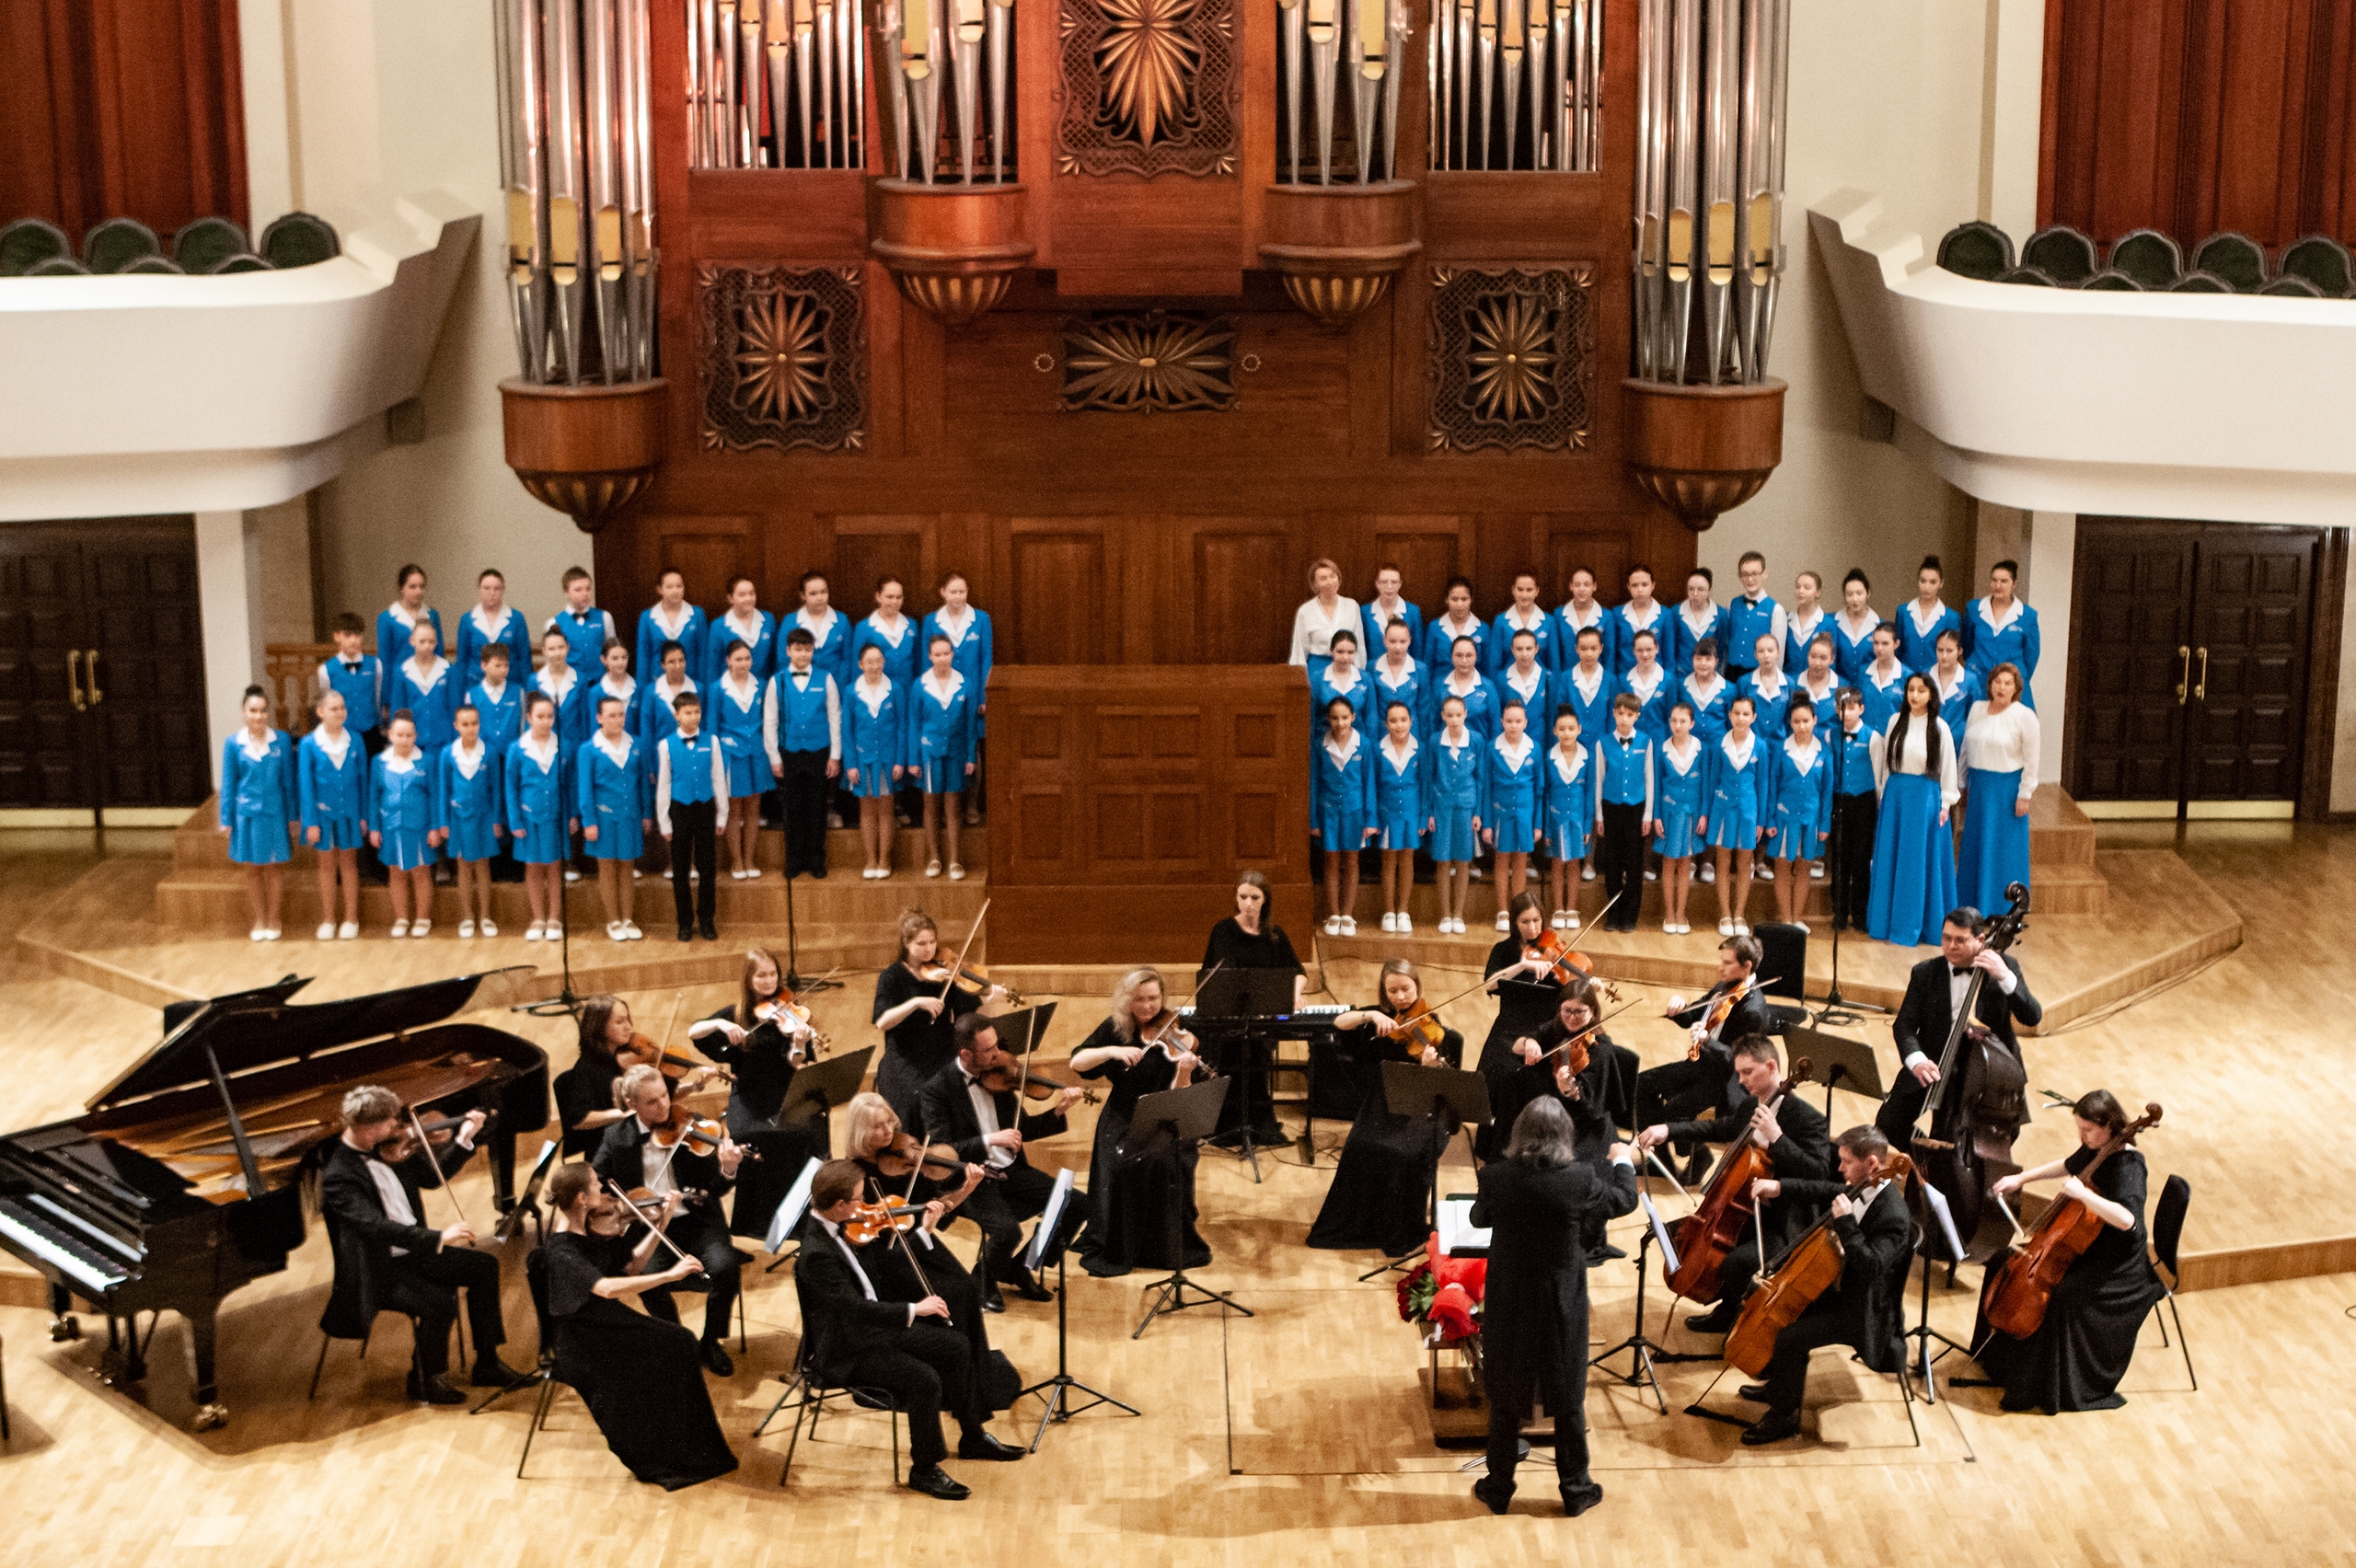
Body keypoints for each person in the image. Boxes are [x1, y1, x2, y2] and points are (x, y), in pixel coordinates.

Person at [795, 1159, 1028, 1500]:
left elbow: (886, 1265)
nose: (866, 1205)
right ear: (840, 1205)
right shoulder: (817, 1254)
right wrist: (915, 1309)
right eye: (859, 1199)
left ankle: (972, 1435)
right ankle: (924, 1469)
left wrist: (924, 1230)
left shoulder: (844, 1227)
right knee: (924, 1379)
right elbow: (856, 1310)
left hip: (875, 1330)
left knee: (957, 1346)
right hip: (850, 1348)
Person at [1468, 1099, 1637, 1516]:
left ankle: (1498, 1487)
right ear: (1565, 1136)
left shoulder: (1496, 1176)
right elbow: (1624, 1201)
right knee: (1567, 1393)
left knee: (1505, 1391)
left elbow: (1477, 1218)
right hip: (1561, 1302)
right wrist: (1622, 1161)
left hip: (1511, 1300)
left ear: (1519, 1133)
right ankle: (1576, 1490)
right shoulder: (1580, 1179)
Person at [318, 1084, 522, 1403]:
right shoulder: (339, 1176)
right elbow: (376, 1228)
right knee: (439, 1301)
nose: (398, 1126)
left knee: (484, 1267)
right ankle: (424, 1379)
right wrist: (438, 1237)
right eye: (390, 1122)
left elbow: (432, 1177)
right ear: (369, 1129)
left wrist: (464, 1138)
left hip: (415, 1251)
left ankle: (487, 1363)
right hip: (379, 1268)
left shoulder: (390, 1149)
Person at [540, 1162, 737, 1489]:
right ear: (582, 1199)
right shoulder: (561, 1250)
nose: (604, 1191)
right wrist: (669, 1275)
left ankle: (680, 1439)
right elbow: (606, 1288)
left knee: (679, 1341)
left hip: (606, 1320)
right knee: (678, 1343)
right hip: (583, 1338)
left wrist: (662, 1221)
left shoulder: (592, 1229)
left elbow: (632, 1267)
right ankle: (662, 1449)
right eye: (596, 1186)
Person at [1975, 1090, 2165, 1412]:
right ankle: (1999, 1362)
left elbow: (2127, 1220)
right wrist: (2021, 1178)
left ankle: (2037, 1386)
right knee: (2000, 1262)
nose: (2082, 1136)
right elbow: (2068, 1165)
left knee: (2059, 1296)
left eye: (2088, 1129)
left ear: (2109, 1125)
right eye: (2079, 1128)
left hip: (2116, 1261)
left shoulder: (2129, 1164)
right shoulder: (2098, 1147)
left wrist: (2084, 1195)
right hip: (2088, 1246)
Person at [1634, 1034, 1834, 1332]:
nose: (1741, 1081)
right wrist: (1668, 1129)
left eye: (1747, 1072)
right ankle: (1725, 1299)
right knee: (1673, 1232)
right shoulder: (1750, 1105)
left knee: (1736, 1262)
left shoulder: (1808, 1119)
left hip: (1782, 1220)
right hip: (1742, 1208)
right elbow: (1720, 1127)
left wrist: (1777, 1137)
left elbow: (1818, 1173)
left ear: (1771, 1066)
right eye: (1739, 1073)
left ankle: (1735, 1315)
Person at [1738, 1125, 1915, 1446]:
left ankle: (1784, 1416)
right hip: (1840, 1289)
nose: (1840, 1168)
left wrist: (1846, 1223)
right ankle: (1781, 1387)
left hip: (1861, 1308)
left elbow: (1871, 1267)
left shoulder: (1893, 1215)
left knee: (1791, 1335)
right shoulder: (1864, 1184)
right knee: (1782, 1311)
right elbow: (1823, 1188)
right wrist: (1780, 1187)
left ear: (1872, 1164)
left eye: (1847, 1161)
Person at [919, 1013, 1088, 1307]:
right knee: (1008, 1232)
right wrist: (989, 1140)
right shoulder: (938, 1090)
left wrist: (1059, 1110)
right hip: (973, 1178)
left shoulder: (998, 1075)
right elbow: (943, 1152)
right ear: (966, 1054)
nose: (998, 1054)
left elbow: (1023, 1130)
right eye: (989, 1050)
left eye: (997, 1045)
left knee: (1077, 1204)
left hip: (1010, 1169)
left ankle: (1019, 1267)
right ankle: (983, 1278)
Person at [590, 1063, 748, 1375]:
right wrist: (621, 1207)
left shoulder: (693, 1126)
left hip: (698, 1220)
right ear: (632, 1104)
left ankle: (711, 1341)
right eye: (652, 1101)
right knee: (645, 1278)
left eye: (664, 1095)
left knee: (726, 1267)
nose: (663, 1105)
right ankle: (679, 1341)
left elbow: (715, 1188)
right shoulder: (617, 1137)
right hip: (650, 1227)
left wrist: (729, 1168)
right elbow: (596, 1182)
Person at [1307, 959, 1464, 1255]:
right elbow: (1339, 1023)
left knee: (1400, 1154)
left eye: (1406, 989)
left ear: (1417, 987)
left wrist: (1428, 1066)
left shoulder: (1431, 1022)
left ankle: (1398, 1227)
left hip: (1421, 1109)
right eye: (1392, 991)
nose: (1400, 997)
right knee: (1360, 1146)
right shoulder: (1378, 1016)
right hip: (1382, 1103)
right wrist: (1370, 1015)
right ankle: (1366, 1225)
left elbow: (1444, 1083)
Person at [1070, 967, 1211, 1277]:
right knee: (1124, 1165)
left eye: (1154, 998)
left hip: (1165, 1117)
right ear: (1127, 1000)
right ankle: (1121, 1242)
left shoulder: (1179, 1031)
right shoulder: (1115, 1029)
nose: (1148, 1006)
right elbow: (1077, 1062)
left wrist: (1184, 1071)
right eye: (1140, 999)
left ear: (1163, 998)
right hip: (1122, 1117)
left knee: (1167, 1162)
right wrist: (1112, 1051)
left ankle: (1160, 1246)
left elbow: (1181, 1096)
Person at [688, 946, 830, 1237]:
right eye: (761, 975)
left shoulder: (791, 1013)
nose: (768, 981)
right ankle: (756, 1222)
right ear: (749, 980)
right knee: (749, 1134)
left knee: (802, 1134)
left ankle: (801, 1220)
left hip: (786, 1092)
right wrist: (721, 1023)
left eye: (772, 974)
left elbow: (794, 1063)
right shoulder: (736, 1014)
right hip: (748, 1096)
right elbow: (695, 1032)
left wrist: (799, 1043)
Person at [1874, 905, 2040, 1147]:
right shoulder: (1926, 973)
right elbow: (1904, 1026)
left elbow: (2032, 1017)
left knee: (1982, 1141)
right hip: (1936, 1061)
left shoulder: (2005, 967)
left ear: (1980, 940)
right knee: (1888, 1124)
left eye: (1960, 940)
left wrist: (2005, 977)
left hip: (1989, 1072)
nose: (1951, 946)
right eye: (1946, 938)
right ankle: (1924, 1154)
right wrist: (1917, 1060)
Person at [1634, 936, 1771, 1182]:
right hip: (1701, 1064)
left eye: (1727, 963)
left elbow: (1741, 1060)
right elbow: (1695, 1014)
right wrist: (1679, 1008)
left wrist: (1708, 1041)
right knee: (1642, 1085)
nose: (1721, 968)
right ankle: (1659, 1162)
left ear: (1747, 966)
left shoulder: (1753, 1011)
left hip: (1724, 1079)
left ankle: (1699, 1155)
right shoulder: (1724, 986)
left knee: (1675, 1111)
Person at [1195, 870, 1308, 1141]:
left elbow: (1299, 972)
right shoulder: (1223, 931)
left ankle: (1259, 1125)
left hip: (1263, 1019)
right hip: (1229, 1020)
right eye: (1243, 897)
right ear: (1236, 898)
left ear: (1265, 900)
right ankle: (1227, 1126)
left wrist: (1293, 994)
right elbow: (1215, 977)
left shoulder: (1275, 935)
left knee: (1258, 1053)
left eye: (1254, 897)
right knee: (1231, 1056)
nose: (1248, 903)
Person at [873, 909, 1005, 1124]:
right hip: (905, 1053)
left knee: (963, 1086)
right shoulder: (892, 977)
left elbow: (968, 1017)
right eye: (921, 943)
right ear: (906, 943)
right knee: (915, 1097)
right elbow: (882, 1021)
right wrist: (916, 1002)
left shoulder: (946, 974)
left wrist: (989, 997)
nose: (929, 949)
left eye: (932, 942)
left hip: (942, 1046)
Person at [560, 994, 720, 1156]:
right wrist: (622, 1114)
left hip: (643, 1136)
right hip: (613, 1148)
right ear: (599, 1027)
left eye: (628, 1019)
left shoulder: (633, 1058)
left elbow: (659, 1099)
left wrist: (695, 1086)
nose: (628, 1027)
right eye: (619, 1022)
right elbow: (578, 1119)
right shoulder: (587, 1068)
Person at [1866, 674, 1960, 949]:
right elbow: (1887, 763)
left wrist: (1945, 803)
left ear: (1931, 695)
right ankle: (1887, 922)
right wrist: (1883, 794)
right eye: (1911, 690)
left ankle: (1920, 925)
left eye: (1921, 690)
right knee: (1893, 860)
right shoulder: (1895, 721)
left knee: (1918, 862)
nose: (1915, 695)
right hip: (1896, 797)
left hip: (1924, 800)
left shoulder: (1940, 727)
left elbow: (1948, 767)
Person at [1472, 893, 1564, 1158]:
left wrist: (1587, 984)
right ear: (1514, 922)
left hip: (1543, 1031)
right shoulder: (1503, 951)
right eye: (1525, 922)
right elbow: (1490, 984)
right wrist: (1522, 966)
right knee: (1500, 1076)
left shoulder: (1554, 951)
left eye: (1537, 920)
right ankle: (1497, 1145)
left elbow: (1572, 990)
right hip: (1508, 1030)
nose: (1532, 928)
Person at [1957, 663, 2040, 915]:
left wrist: (2025, 794)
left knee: (2004, 850)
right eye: (1997, 682)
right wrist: (1962, 782)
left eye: (2007, 683)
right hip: (1979, 789)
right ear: (1990, 684)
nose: (2001, 687)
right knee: (1976, 846)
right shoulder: (1977, 709)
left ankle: (2004, 907)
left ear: (2016, 688)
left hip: (2006, 792)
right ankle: (1973, 904)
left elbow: (2032, 759)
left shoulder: (2024, 716)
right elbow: (1966, 749)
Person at [219, 685, 297, 941]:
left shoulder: (281, 740)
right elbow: (229, 783)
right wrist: (225, 818)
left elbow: (288, 782)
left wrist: (293, 816)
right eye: (253, 711)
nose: (259, 716)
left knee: (274, 868)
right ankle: (259, 919)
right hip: (247, 816)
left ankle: (274, 918)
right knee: (252, 869)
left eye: (263, 710)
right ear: (244, 712)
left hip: (274, 813)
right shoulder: (233, 744)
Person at [767, 626, 841, 879]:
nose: (803, 654)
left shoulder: (826, 679)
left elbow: (834, 717)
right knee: (793, 809)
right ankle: (794, 860)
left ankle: (817, 859)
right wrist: (774, 757)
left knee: (817, 808)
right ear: (788, 651)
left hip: (818, 752)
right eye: (798, 649)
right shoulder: (777, 681)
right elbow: (770, 721)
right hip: (790, 753)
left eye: (808, 649)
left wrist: (835, 755)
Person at [922, 571, 994, 827]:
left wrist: (984, 695)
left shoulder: (981, 619)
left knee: (973, 751)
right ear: (943, 592)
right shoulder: (931, 621)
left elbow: (986, 659)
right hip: (941, 696)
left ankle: (972, 806)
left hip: (972, 697)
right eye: (953, 591)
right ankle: (946, 810)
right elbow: (925, 662)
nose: (958, 596)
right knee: (944, 752)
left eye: (962, 591)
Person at [655, 691, 728, 941]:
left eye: (697, 711)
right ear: (677, 715)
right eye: (687, 712)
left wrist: (722, 815)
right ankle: (684, 922)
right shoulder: (666, 745)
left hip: (705, 808)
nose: (693, 716)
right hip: (680, 809)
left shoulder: (712, 741)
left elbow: (718, 778)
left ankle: (707, 920)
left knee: (708, 867)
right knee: (681, 869)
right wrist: (664, 821)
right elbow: (664, 784)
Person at [578, 695, 651, 941]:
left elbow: (643, 784)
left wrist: (646, 813)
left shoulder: (637, 744)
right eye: (612, 715)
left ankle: (628, 918)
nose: (618, 720)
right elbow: (585, 788)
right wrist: (589, 821)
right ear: (599, 718)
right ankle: (613, 920)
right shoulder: (588, 750)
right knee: (607, 867)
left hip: (630, 815)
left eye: (621, 714)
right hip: (603, 818)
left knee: (627, 866)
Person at [301, 686, 368, 940]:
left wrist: (363, 815)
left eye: (342, 707)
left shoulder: (356, 740)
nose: (340, 712)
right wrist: (310, 821)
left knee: (349, 864)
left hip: (350, 813)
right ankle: (328, 919)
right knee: (327, 866)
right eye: (333, 708)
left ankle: (351, 917)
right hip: (323, 815)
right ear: (320, 712)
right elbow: (306, 785)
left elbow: (363, 780)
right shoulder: (309, 744)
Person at [1700, 693, 1769, 937]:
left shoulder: (1760, 746)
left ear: (1754, 717)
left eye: (1746, 714)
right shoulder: (1719, 744)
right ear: (1729, 715)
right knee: (1723, 861)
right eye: (1736, 713)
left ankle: (1739, 914)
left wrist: (1762, 819)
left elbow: (1763, 784)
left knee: (1744, 863)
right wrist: (1707, 813)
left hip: (1748, 811)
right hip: (1722, 810)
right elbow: (1711, 781)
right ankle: (1725, 914)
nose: (1741, 718)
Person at [912, 632, 980, 879]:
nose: (942, 658)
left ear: (952, 654)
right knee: (931, 805)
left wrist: (970, 757)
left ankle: (955, 860)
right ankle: (934, 858)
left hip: (956, 752)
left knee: (953, 806)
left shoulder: (966, 684)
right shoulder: (920, 685)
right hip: (929, 753)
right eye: (937, 654)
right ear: (930, 656)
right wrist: (914, 759)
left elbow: (971, 726)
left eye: (946, 653)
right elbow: (914, 725)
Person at [857, 576, 922, 825]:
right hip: (876, 695)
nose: (894, 602)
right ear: (878, 596)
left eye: (899, 597)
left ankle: (901, 802)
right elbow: (856, 665)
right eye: (889, 596)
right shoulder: (865, 627)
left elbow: (919, 663)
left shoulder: (911, 625)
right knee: (883, 742)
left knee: (902, 741)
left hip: (906, 693)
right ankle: (885, 805)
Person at [435, 703, 503, 938]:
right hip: (458, 819)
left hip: (484, 817)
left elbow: (496, 789)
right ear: (456, 725)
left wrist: (496, 820)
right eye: (465, 724)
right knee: (463, 867)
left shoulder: (490, 752)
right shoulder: (447, 754)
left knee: (483, 867)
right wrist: (443, 821)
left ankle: (485, 916)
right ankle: (467, 917)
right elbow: (443, 789)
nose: (470, 728)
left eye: (474, 723)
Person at [506, 692, 569, 940]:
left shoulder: (563, 745)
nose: (546, 721)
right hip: (528, 818)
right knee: (532, 868)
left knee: (554, 867)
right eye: (540, 716)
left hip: (555, 817)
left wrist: (572, 816)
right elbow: (511, 787)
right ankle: (538, 918)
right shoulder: (517, 749)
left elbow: (570, 785)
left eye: (550, 716)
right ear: (529, 717)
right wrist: (515, 820)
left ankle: (554, 918)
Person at [370, 711, 438, 936]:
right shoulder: (379, 762)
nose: (404, 740)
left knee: (420, 872)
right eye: (400, 735)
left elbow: (434, 796)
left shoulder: (426, 761)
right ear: (390, 735)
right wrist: (374, 827)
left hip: (419, 826)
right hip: (390, 825)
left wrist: (435, 827)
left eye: (409, 735)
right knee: (396, 872)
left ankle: (422, 918)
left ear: (415, 736)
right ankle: (401, 918)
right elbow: (374, 797)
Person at [1766, 699, 1831, 931]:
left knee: (1804, 867)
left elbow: (1827, 791)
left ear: (1815, 720)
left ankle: (1797, 918)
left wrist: (1825, 823)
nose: (1802, 726)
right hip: (1784, 817)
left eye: (1806, 721)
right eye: (1796, 721)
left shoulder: (1824, 751)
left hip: (1811, 820)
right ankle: (1786, 918)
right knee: (1783, 866)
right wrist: (1770, 819)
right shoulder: (1781, 749)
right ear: (1790, 723)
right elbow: (1772, 785)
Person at [844, 642, 907, 879]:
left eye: (878, 661)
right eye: (869, 662)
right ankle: (870, 858)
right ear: (861, 664)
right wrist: (850, 764)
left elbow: (902, 727)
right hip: (862, 760)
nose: (874, 666)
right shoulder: (851, 692)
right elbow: (847, 731)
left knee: (886, 810)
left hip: (887, 759)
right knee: (867, 810)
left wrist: (899, 760)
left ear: (884, 662)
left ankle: (884, 859)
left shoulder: (895, 689)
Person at [1592, 692, 1653, 934]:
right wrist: (1599, 815)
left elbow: (1649, 778)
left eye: (1630, 714)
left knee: (1635, 863)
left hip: (1636, 809)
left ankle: (1630, 915)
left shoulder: (1646, 742)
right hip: (1611, 807)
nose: (1625, 718)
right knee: (1613, 863)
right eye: (1620, 713)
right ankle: (1613, 914)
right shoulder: (1603, 743)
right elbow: (1599, 779)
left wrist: (1648, 814)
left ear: (1637, 716)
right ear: (1614, 713)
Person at [467, 643, 525, 892]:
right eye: (497, 664)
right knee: (491, 806)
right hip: (484, 761)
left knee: (512, 803)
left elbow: (522, 727)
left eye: (506, 665)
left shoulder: (518, 692)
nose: (503, 669)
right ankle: (494, 861)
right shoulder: (473, 695)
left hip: (510, 758)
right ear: (483, 665)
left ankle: (514, 861)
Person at [708, 636, 768, 881]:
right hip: (730, 754)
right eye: (738, 659)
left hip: (756, 752)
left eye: (747, 658)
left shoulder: (761, 685)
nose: (743, 663)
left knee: (753, 809)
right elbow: (712, 727)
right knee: (733, 810)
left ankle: (750, 859)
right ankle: (737, 861)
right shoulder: (717, 688)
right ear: (728, 661)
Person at [1479, 701, 1542, 930]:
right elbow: (1486, 786)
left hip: (1525, 815)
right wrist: (1487, 823)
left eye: (1518, 721)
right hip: (1500, 814)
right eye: (1509, 721)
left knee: (1520, 862)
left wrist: (1537, 824)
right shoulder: (1492, 748)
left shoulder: (1534, 748)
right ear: (1501, 722)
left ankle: (1519, 912)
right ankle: (1503, 912)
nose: (1513, 725)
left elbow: (1539, 790)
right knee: (1502, 860)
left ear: (1525, 722)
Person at [1828, 687, 1884, 933]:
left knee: (1862, 859)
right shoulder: (1830, 735)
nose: (1847, 713)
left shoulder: (1873, 737)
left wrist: (1879, 804)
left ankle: (1860, 913)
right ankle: (1839, 911)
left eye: (1851, 708)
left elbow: (1879, 774)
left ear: (1861, 709)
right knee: (1840, 858)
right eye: (1842, 708)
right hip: (1841, 801)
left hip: (1865, 802)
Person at [1373, 700, 1428, 934]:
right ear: (1386, 723)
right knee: (1388, 862)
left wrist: (1423, 817)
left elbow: (1425, 785)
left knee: (1407, 861)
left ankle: (1403, 911)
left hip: (1411, 813)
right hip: (1387, 814)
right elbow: (1373, 785)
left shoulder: (1420, 748)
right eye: (1393, 721)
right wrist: (1374, 818)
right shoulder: (1378, 749)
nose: (1399, 725)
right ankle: (1388, 911)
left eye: (1403, 720)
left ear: (1411, 721)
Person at [1428, 695, 1483, 933]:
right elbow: (1428, 778)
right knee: (1442, 861)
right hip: (1441, 807)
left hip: (1466, 807)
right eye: (1449, 715)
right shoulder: (1434, 741)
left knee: (1462, 861)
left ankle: (1458, 914)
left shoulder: (1476, 740)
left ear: (1465, 714)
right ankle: (1444, 915)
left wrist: (1478, 812)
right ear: (1442, 716)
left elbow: (1481, 779)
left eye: (1458, 715)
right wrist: (1429, 812)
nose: (1454, 719)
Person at [1654, 701, 1706, 935]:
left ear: (1692, 723)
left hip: (1692, 812)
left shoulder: (1701, 749)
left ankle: (1681, 913)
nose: (1678, 725)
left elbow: (1706, 783)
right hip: (1669, 812)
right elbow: (1656, 784)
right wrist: (1656, 816)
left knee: (1685, 863)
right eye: (1674, 720)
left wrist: (1703, 813)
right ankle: (1669, 913)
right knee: (1668, 862)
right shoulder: (1662, 749)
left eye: (1683, 721)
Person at [1541, 706, 1595, 931]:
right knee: (1557, 864)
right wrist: (1545, 827)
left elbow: (1590, 792)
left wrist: (1588, 824)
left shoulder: (1587, 756)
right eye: (1562, 729)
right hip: (1556, 818)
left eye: (1571, 728)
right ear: (1555, 731)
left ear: (1579, 729)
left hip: (1578, 819)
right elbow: (1545, 793)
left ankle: (1572, 908)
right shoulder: (1549, 757)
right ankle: (1558, 908)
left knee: (1574, 864)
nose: (1567, 733)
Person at [1965, 559, 2040, 708]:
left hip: (2011, 684)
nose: (1998, 586)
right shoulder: (1974, 609)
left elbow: (2031, 654)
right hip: (1979, 679)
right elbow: (1966, 643)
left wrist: (2015, 676)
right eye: (1994, 580)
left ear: (2014, 584)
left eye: (2004, 581)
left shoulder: (2028, 615)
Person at [1289, 557, 1364, 687]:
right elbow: (1299, 651)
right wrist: (1300, 684)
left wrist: (1360, 674)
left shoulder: (1352, 606)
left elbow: (1359, 644)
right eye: (1323, 578)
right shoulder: (1305, 611)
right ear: (1315, 584)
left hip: (1346, 668)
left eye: (1332, 576)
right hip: (1318, 669)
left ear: (1339, 578)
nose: (1330, 582)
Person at [318, 612, 385, 755]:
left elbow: (378, 697)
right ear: (336, 636)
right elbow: (326, 700)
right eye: (348, 635)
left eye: (357, 635)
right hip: (343, 732)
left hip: (370, 731)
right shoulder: (327, 669)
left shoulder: (375, 664)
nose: (354, 640)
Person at [389, 618, 457, 756]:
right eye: (422, 641)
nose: (427, 646)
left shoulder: (448, 670)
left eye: (431, 641)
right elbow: (398, 711)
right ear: (412, 640)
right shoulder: (402, 672)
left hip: (443, 741)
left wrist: (455, 740)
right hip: (412, 742)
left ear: (437, 642)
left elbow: (454, 708)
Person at [456, 568, 535, 688]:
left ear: (503, 590)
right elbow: (462, 661)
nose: (492, 593)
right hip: (476, 686)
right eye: (486, 588)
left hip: (510, 685)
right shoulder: (467, 620)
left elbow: (524, 659)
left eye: (497, 588)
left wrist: (529, 691)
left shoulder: (516, 618)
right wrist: (459, 692)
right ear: (479, 589)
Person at [546, 565, 618, 690]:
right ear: (566, 592)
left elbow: (613, 651)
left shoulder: (604, 617)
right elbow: (552, 660)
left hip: (600, 683)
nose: (585, 594)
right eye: (578, 590)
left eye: (588, 589)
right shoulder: (555, 623)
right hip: (570, 686)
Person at [375, 564, 444, 695]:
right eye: (412, 587)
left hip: (429, 682)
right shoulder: (387, 618)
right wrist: (387, 698)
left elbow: (439, 653)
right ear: (401, 588)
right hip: (400, 684)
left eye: (421, 586)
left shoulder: (432, 615)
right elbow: (385, 661)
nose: (418, 591)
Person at [635, 568, 709, 689]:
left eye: (679, 586)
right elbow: (643, 657)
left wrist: (702, 687)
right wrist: (642, 690)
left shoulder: (697, 614)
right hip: (657, 684)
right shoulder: (647, 617)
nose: (675, 591)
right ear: (660, 589)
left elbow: (703, 655)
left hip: (690, 683)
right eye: (669, 587)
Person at [1725, 550, 1786, 681]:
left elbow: (1778, 652)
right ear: (1740, 577)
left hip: (1759, 674)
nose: (1750, 579)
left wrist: (1774, 680)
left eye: (1754, 574)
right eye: (1745, 574)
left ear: (1764, 574)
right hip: (1731, 673)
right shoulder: (1732, 604)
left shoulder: (1776, 609)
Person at [1429, 633, 1499, 746]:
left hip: (1480, 750)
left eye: (1469, 655)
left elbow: (1495, 725)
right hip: (1446, 750)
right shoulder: (1439, 685)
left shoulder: (1488, 686)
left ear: (1476, 656)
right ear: (1451, 656)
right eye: (1459, 655)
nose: (1464, 660)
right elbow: (1433, 720)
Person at [1895, 555, 1961, 674]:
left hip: (1936, 678)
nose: (1927, 587)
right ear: (1918, 581)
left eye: (1933, 582)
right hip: (1906, 677)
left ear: (1941, 584)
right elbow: (1898, 649)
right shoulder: (1903, 612)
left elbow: (1952, 655)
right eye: (1923, 581)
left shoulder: (1951, 617)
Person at [1311, 628, 1374, 746]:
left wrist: (1371, 746)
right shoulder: (1317, 679)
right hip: (1325, 744)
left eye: (1350, 652)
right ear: (1331, 651)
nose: (1345, 657)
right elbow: (1312, 716)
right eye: (1340, 652)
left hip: (1358, 745)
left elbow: (1371, 716)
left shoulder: (1365, 679)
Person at [1559, 626, 1617, 750]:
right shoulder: (1566, 679)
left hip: (1601, 746)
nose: (1589, 653)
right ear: (1577, 649)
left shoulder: (1611, 680)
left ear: (1601, 648)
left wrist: (1610, 746)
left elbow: (1613, 718)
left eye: (1593, 648)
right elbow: (1560, 715)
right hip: (1572, 746)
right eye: (1584, 649)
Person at [1489, 571, 1556, 676]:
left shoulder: (1549, 621)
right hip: (1508, 683)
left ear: (1537, 591)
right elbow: (1494, 664)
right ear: (1513, 590)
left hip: (1541, 683)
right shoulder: (1501, 621)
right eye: (1520, 589)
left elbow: (1554, 664)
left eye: (1529, 590)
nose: (1524, 595)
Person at [1362, 562, 1426, 669]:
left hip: (1405, 672)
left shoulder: (1412, 611)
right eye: (1384, 582)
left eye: (1394, 582)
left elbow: (1417, 648)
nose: (1389, 586)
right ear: (1377, 584)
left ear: (1400, 584)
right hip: (1374, 672)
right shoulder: (1365, 612)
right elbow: (1362, 647)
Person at [638, 638, 699, 749]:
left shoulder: (698, 689)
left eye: (681, 660)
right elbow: (647, 732)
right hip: (660, 753)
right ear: (663, 664)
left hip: (691, 752)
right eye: (672, 662)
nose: (678, 666)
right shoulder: (651, 692)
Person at [1496, 629, 1553, 745]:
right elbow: (1498, 715)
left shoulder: (1548, 678)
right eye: (1519, 649)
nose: (1524, 654)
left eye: (1529, 648)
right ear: (1512, 650)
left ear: (1536, 649)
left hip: (1541, 745)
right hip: (1510, 745)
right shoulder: (1501, 679)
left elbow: (1552, 716)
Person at [1609, 564, 1666, 678]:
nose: (1640, 590)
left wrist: (1667, 681)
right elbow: (1612, 650)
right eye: (1634, 585)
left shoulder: (1665, 614)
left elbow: (1669, 653)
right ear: (1628, 587)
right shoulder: (1617, 614)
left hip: (1655, 677)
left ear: (1653, 585)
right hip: (1625, 677)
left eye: (1644, 585)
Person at [1737, 631, 1793, 743]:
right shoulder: (1744, 683)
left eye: (1770, 650)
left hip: (1780, 744)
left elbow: (1790, 718)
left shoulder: (1789, 683)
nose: (1766, 655)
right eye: (1761, 651)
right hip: (1751, 744)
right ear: (1755, 654)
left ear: (1779, 652)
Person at [1670, 566, 1727, 678]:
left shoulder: (1721, 614)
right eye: (1691, 589)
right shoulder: (1676, 612)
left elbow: (1721, 648)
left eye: (1700, 589)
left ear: (1709, 590)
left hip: (1708, 675)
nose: (1695, 594)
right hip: (1681, 674)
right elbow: (1671, 647)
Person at [1424, 576, 1486, 674]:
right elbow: (1428, 665)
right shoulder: (1434, 627)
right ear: (1446, 599)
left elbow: (1487, 666)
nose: (1459, 604)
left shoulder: (1483, 629)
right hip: (1441, 682)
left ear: (1471, 599)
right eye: (1454, 599)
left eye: (1464, 599)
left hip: (1473, 682)